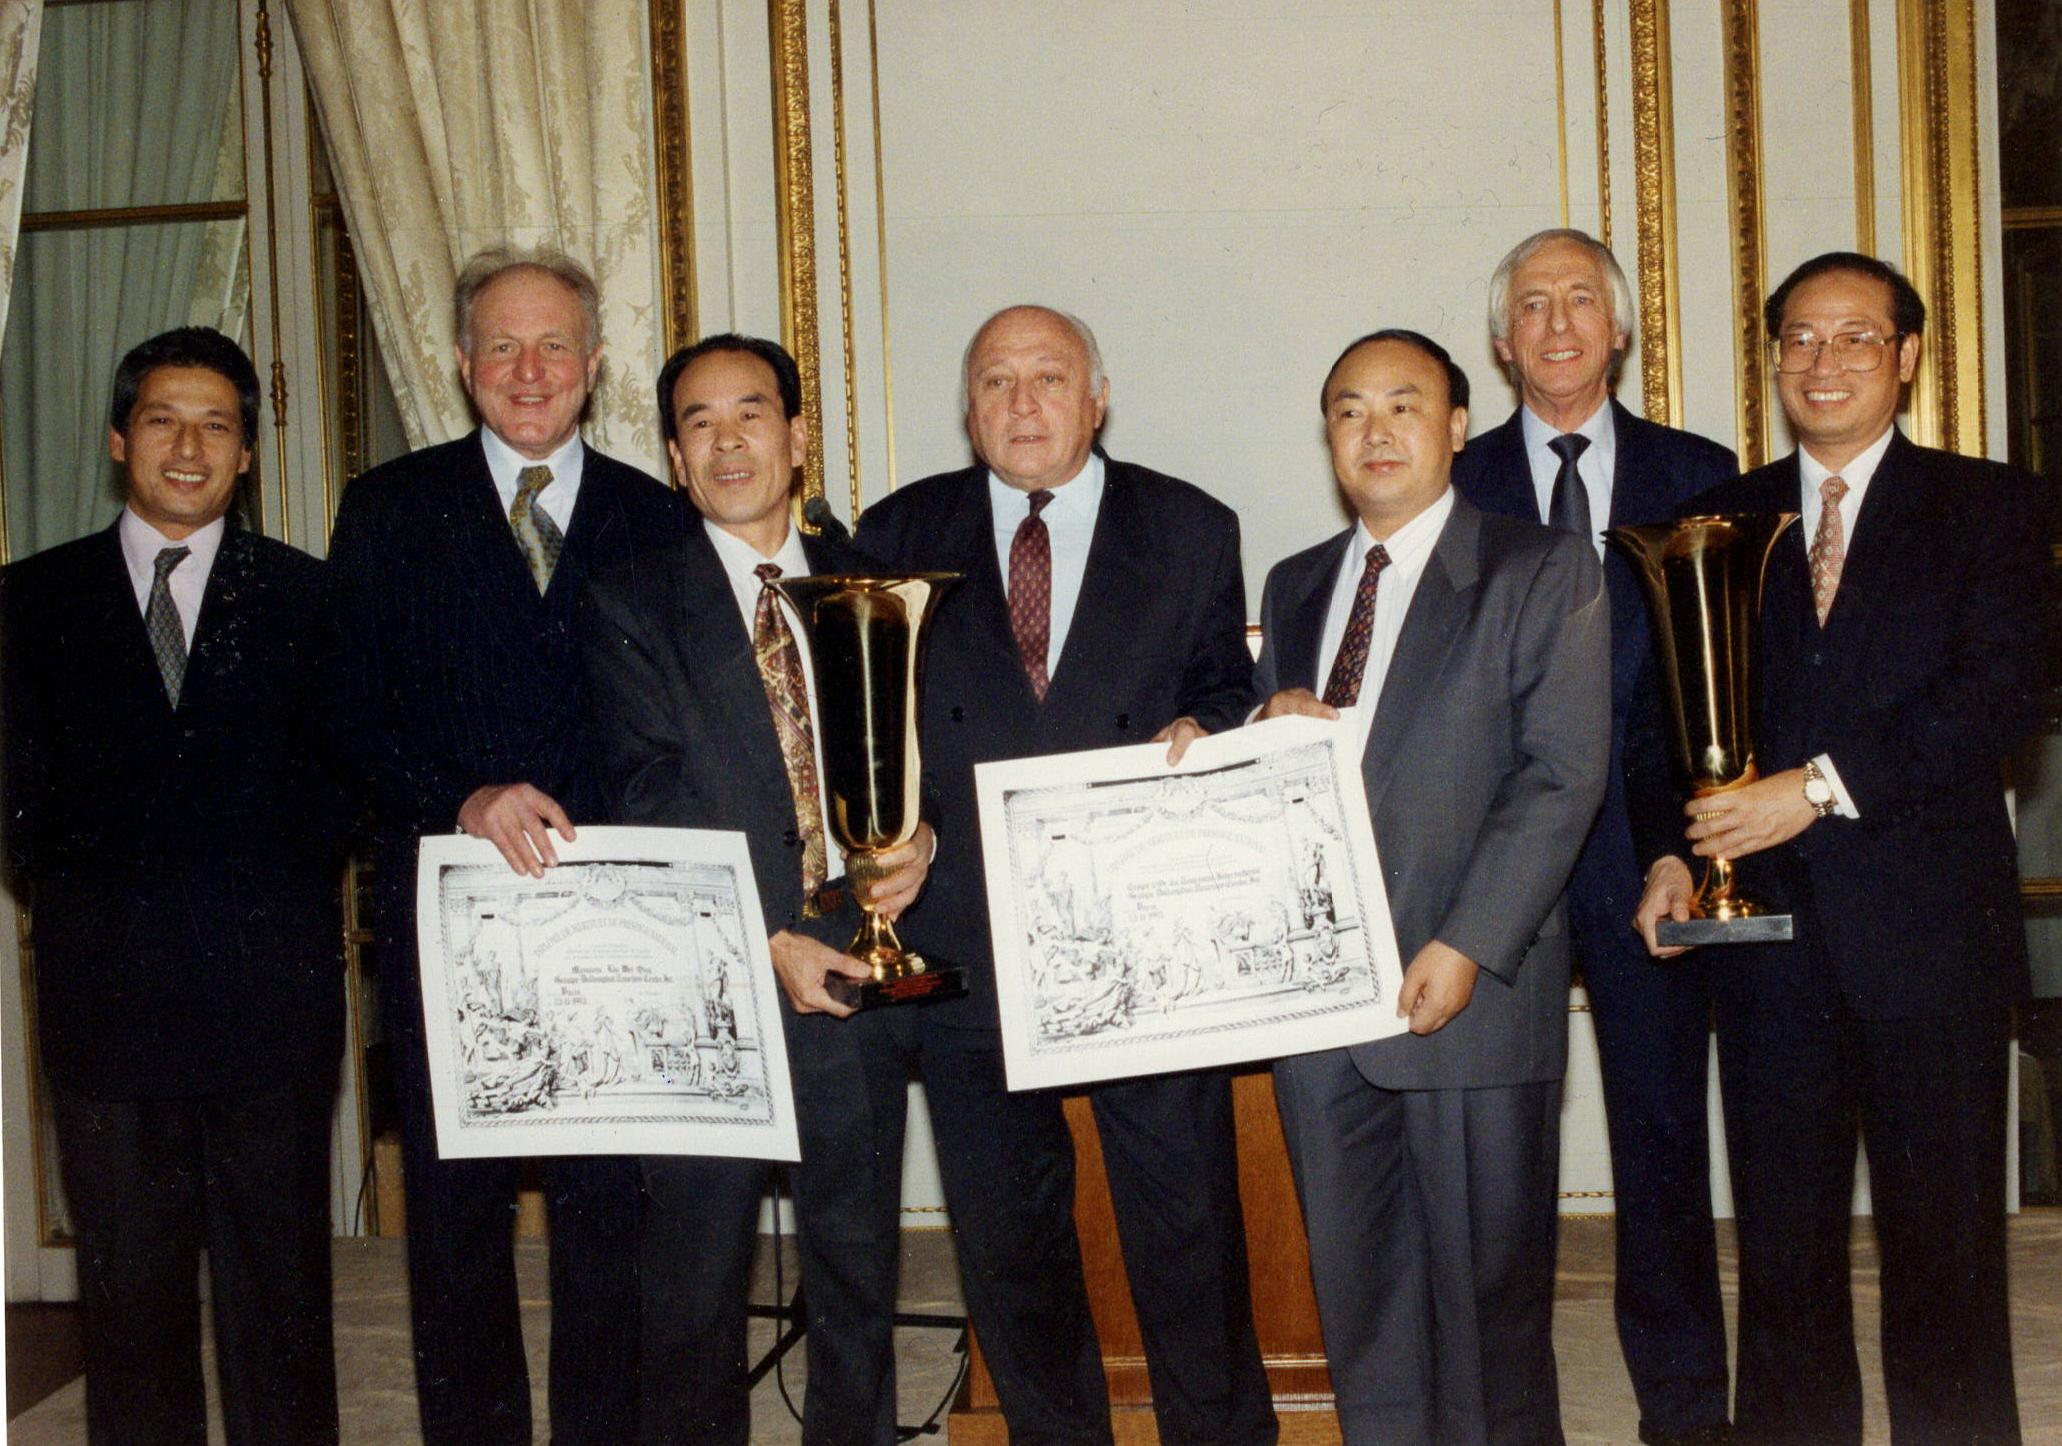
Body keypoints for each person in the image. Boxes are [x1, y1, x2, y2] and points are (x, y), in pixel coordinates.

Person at [1631, 252, 2048, 1446]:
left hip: (1930, 944)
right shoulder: (1722, 517)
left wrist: (1812, 789)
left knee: (1946, 1263)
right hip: (1766, 950)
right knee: (1781, 1267)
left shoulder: (1991, 506)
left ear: (1905, 358)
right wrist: (1671, 852)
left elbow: (1998, 695)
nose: (1823, 362)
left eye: (1855, 337)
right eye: (1799, 340)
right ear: (1773, 360)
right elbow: (1662, 718)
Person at [855, 305, 1272, 1446]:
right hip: (963, 930)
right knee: (1008, 1245)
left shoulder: (1189, 525)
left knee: (1187, 1230)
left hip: (1145, 942)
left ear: (1098, 398)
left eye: (1048, 377)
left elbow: (1222, 687)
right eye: (995, 381)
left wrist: (1206, 725)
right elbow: (873, 728)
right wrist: (907, 831)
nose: (1022, 403)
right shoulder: (897, 531)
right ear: (968, 406)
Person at [327, 247, 681, 1446]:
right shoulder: (388, 509)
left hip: (610, 929)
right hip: (451, 915)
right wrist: (462, 797)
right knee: (455, 1217)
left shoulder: (656, 515)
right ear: (461, 363)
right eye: (501, 346)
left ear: (594, 363)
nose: (529, 371)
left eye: (553, 346)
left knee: (607, 1220)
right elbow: (347, 717)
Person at [1256, 329, 1608, 1446]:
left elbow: (1561, 775)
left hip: (1468, 989)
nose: (1375, 430)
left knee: (1485, 1311)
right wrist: (1257, 728)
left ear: (1458, 425)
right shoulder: (1295, 583)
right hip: (1321, 1006)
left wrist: (1466, 942)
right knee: (1360, 1302)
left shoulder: (1539, 567)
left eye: (1403, 405)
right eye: (1348, 409)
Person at [0, 327, 350, 1445]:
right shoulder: (27, 602)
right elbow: (15, 804)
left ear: (246, 453)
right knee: (131, 1309)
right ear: (119, 440)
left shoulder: (308, 598)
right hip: (108, 1006)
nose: (188, 448)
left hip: (269, 1004)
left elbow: (340, 793)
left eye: (216, 426)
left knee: (280, 1303)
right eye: (163, 421)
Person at [580, 332, 931, 1446]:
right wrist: (764, 936)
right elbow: (644, 796)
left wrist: (923, 837)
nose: (728, 441)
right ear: (675, 459)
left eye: (751, 414)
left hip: (858, 959)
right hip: (710, 974)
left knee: (857, 1267)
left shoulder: (878, 580)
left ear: (796, 435)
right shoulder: (630, 599)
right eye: (699, 423)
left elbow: (935, 746)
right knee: (694, 1278)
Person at [1454, 228, 1738, 1446]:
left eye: (1580, 300)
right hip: (1496, 857)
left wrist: (1682, 843)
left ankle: (1685, 1414)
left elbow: (1714, 681)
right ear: (1500, 340)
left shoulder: (1702, 470)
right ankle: (1507, 1419)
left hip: (1648, 852)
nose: (1557, 323)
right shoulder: (1455, 478)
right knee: (1496, 1156)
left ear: (1618, 329)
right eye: (1532, 304)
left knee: (1662, 1137)